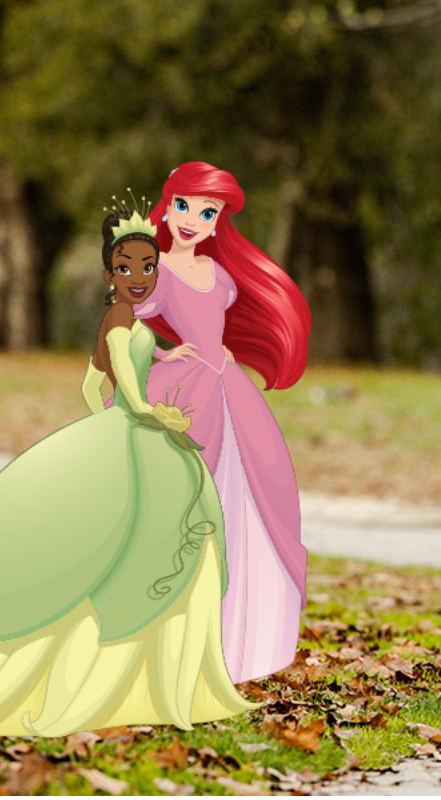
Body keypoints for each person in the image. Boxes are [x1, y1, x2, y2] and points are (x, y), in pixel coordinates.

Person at [0, 205, 256, 735]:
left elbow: (95, 382)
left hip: (128, 430)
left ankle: (142, 677)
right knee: (159, 532)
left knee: (149, 531)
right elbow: (127, 394)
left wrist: (165, 359)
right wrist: (145, 418)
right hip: (137, 425)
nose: (138, 276)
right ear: (108, 275)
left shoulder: (129, 321)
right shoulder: (119, 322)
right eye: (125, 268)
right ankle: (123, 674)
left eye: (148, 267)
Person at [133, 162, 311, 684]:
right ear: (167, 208)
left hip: (228, 388)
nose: (192, 219)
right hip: (188, 389)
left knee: (254, 490)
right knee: (188, 492)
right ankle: (173, 628)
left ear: (217, 224)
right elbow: (127, 327)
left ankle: (238, 635)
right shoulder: (158, 272)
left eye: (206, 212)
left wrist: (224, 351)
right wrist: (164, 355)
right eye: (183, 206)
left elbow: (216, 320)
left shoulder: (221, 276)